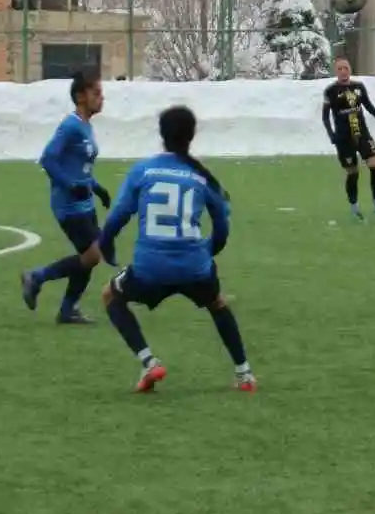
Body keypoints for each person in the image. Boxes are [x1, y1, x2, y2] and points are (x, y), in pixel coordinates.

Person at [97, 105, 254, 393]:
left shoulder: (143, 170)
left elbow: (117, 218)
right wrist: (207, 252)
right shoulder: (202, 176)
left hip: (149, 269)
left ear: (162, 135)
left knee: (110, 295)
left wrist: (106, 248)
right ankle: (244, 374)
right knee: (217, 302)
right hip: (195, 267)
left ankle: (149, 362)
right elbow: (222, 228)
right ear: (191, 137)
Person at [21, 69, 111, 324]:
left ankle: (67, 310)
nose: (101, 98)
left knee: (89, 258)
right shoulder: (70, 125)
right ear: (81, 96)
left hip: (84, 202)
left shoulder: (85, 127)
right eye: (96, 93)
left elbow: (79, 166)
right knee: (92, 256)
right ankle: (36, 277)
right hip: (68, 205)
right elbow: (48, 159)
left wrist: (96, 187)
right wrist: (70, 185)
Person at [321, 56, 375, 221]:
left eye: (345, 68)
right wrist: (332, 135)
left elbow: (369, 107)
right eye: (339, 69)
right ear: (336, 71)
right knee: (353, 173)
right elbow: (325, 117)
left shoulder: (359, 87)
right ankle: (354, 208)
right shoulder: (330, 91)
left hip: (362, 134)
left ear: (350, 69)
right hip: (343, 138)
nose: (343, 71)